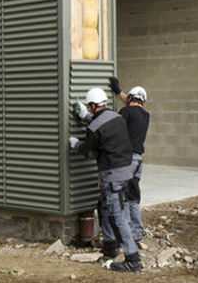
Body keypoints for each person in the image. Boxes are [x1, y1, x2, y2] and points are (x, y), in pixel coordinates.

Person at [70, 87, 142, 272]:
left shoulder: (94, 127)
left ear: (93, 105)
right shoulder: (116, 117)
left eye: (89, 107)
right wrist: (86, 117)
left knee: (117, 216)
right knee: (103, 205)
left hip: (113, 175)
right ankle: (110, 247)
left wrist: (76, 143)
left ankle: (132, 259)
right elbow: (104, 128)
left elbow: (89, 152)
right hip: (126, 171)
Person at [109, 76, 150, 244]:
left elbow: (126, 112)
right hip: (138, 161)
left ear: (131, 98)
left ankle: (125, 234)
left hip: (126, 160)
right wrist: (119, 91)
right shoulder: (145, 115)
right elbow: (133, 105)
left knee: (122, 198)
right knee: (133, 197)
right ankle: (137, 232)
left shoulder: (125, 112)